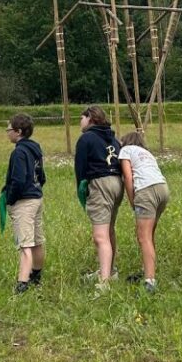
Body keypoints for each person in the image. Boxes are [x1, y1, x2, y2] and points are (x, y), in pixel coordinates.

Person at [74, 105, 123, 290]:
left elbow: (80, 168)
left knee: (100, 236)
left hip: (100, 183)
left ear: (91, 118)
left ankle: (104, 282)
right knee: (109, 230)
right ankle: (110, 270)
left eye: (82, 118)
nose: (80, 122)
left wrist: (82, 190)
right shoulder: (114, 138)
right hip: (117, 182)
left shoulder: (86, 138)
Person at [118, 131, 169, 293]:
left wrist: (132, 200)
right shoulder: (147, 153)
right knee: (149, 234)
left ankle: (150, 281)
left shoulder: (125, 150)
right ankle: (148, 269)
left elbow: (128, 177)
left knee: (143, 236)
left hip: (146, 191)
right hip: (162, 189)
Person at [3, 113, 46, 294]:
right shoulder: (35, 149)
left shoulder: (19, 152)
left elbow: (18, 180)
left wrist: (10, 199)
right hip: (36, 198)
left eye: (9, 129)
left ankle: (22, 283)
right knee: (37, 240)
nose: (7, 132)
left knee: (25, 244)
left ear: (18, 131)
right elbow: (41, 176)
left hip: (24, 202)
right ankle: (36, 275)